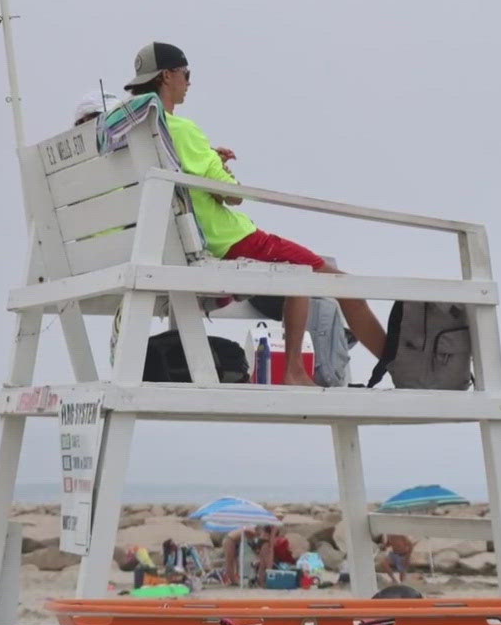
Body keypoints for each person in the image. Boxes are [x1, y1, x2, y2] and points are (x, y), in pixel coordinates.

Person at [121, 42, 388, 385]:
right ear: (168, 76)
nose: (189, 82)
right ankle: (323, 369)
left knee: (307, 273)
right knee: (332, 279)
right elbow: (231, 196)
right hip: (228, 239)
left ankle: (304, 368)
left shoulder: (138, 133)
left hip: (172, 241)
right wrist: (220, 168)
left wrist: (209, 157)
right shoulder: (181, 128)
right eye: (186, 74)